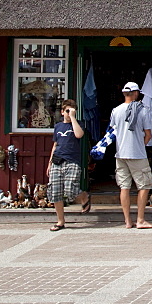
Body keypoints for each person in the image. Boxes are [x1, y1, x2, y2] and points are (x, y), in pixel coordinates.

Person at [109, 81, 152, 228]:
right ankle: (141, 219)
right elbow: (148, 134)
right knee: (144, 186)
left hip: (120, 153)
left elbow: (112, 131)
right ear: (136, 93)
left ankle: (127, 221)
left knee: (124, 187)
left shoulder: (116, 110)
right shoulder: (143, 111)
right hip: (137, 153)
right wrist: (140, 144)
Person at [46, 99, 91, 231]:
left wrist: (72, 118)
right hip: (57, 161)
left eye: (71, 110)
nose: (68, 113)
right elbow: (55, 145)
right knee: (55, 192)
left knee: (71, 189)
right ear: (62, 112)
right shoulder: (58, 127)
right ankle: (60, 221)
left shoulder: (78, 124)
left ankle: (84, 197)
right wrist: (49, 163)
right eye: (66, 111)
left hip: (72, 161)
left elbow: (79, 135)